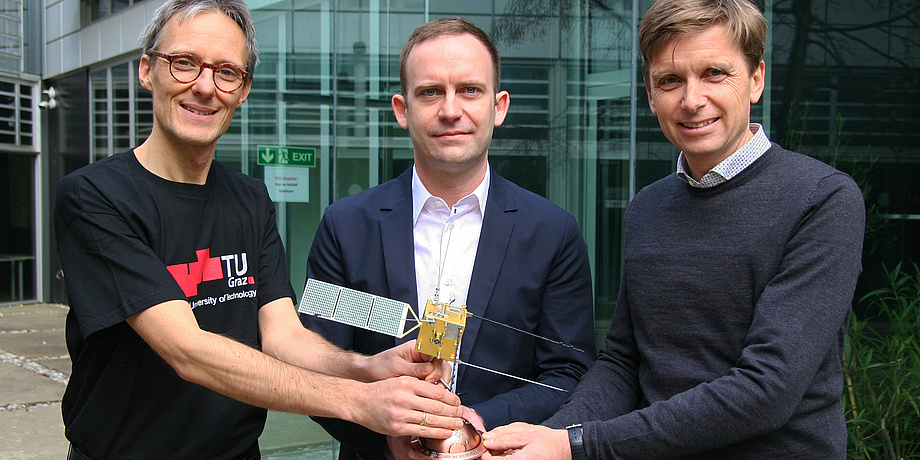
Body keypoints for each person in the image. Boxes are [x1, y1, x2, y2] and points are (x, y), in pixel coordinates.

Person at [53, 0, 465, 458]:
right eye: (185, 63)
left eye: (227, 71)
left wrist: (363, 368)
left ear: (243, 89)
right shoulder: (95, 197)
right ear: (148, 70)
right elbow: (187, 350)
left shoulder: (249, 199)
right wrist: (357, 400)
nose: (205, 87)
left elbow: (282, 335)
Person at [481, 0, 865, 458]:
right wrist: (548, 438)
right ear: (650, 94)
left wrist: (576, 446)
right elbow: (624, 362)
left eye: (715, 74)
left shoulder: (822, 199)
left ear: (756, 78)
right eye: (670, 80)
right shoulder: (649, 206)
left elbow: (767, 390)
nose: (692, 99)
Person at [300, 17, 597, 460]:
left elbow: (568, 371)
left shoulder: (553, 232)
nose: (450, 110)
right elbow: (314, 362)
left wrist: (474, 426)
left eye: (470, 90)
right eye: (430, 92)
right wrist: (387, 436)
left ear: (499, 106)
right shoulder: (345, 227)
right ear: (403, 109)